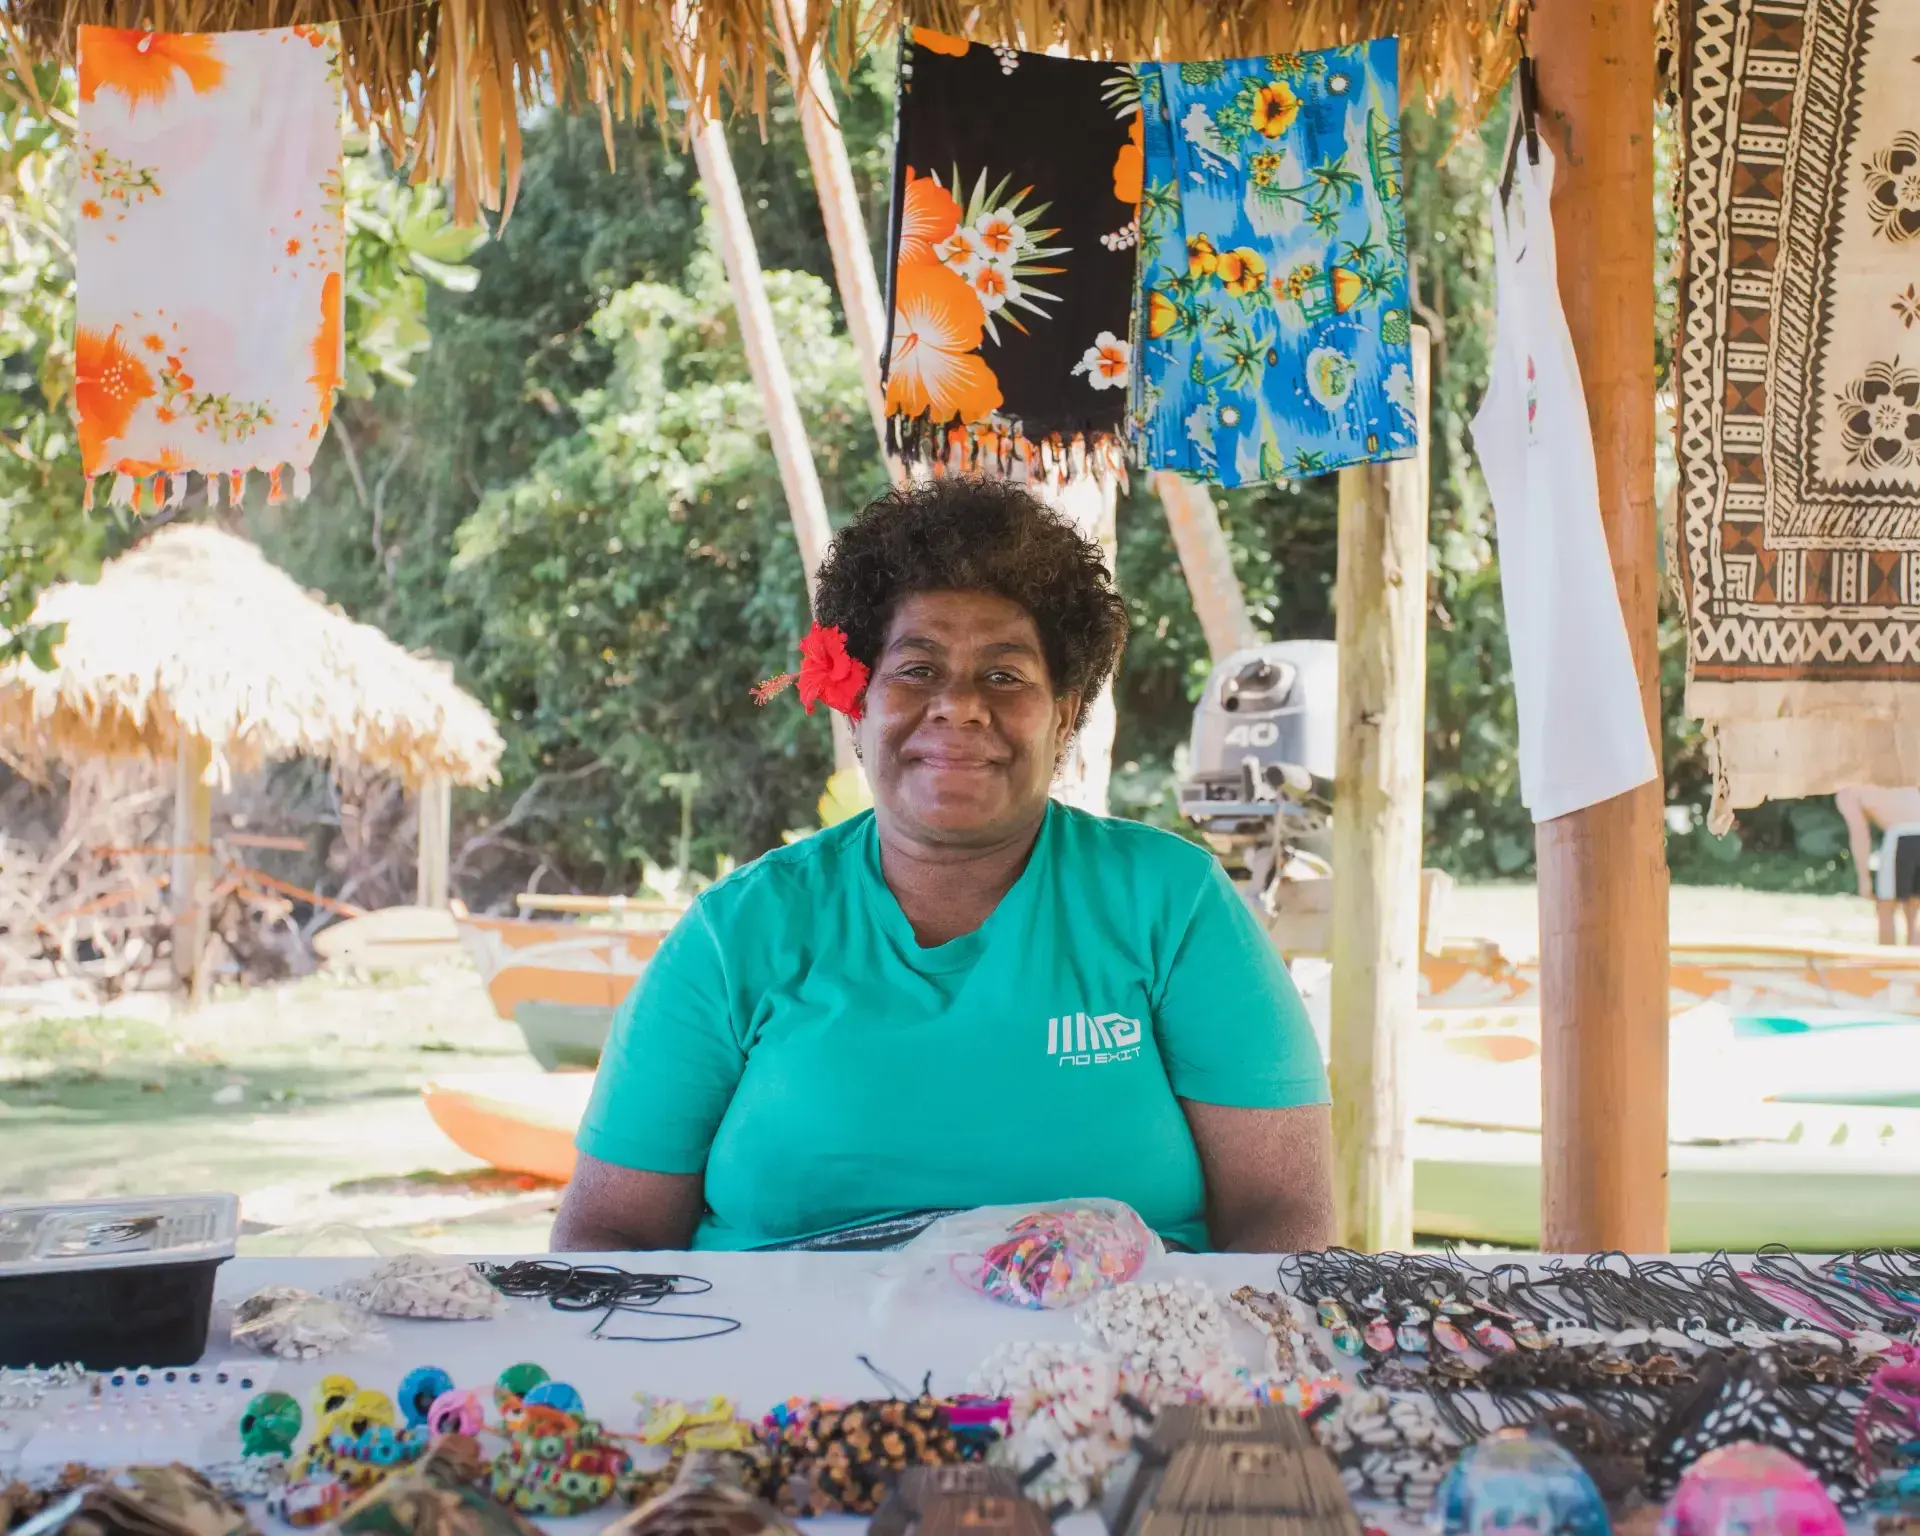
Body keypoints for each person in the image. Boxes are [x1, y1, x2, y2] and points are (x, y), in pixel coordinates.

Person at [552, 478, 1334, 1254]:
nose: (960, 704)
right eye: (917, 670)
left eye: (1004, 675)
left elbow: (1282, 1212)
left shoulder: (1173, 906)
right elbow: (609, 1229)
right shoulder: (736, 934)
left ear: (1063, 715)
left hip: (1121, 1337)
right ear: (859, 706)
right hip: (760, 1340)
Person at [1835, 785, 1920, 945]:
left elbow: (1860, 835)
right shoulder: (1892, 775)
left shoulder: (1849, 792)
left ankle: (1886, 959)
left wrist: (1864, 878)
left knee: (1886, 906)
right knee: (1913, 909)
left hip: (1902, 837)